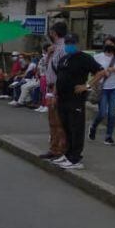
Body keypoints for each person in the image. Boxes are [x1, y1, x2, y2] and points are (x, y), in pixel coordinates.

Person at [51, 34, 107, 170]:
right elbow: (59, 78)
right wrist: (54, 94)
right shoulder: (64, 58)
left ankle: (75, 158)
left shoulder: (84, 58)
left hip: (75, 99)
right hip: (62, 98)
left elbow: (101, 72)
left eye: (72, 43)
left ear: (77, 44)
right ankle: (68, 154)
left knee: (76, 128)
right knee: (66, 128)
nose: (69, 45)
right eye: (68, 43)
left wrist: (86, 86)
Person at [38, 22, 69, 159]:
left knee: (59, 121)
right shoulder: (54, 48)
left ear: (54, 33)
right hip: (51, 87)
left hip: (58, 88)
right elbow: (47, 66)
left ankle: (60, 149)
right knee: (52, 121)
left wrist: (56, 91)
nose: (50, 34)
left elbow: (61, 71)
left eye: (51, 32)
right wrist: (48, 55)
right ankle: (54, 147)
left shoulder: (63, 49)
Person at [89, 37, 115, 146]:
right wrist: (102, 74)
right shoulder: (97, 57)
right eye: (107, 44)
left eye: (111, 44)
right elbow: (93, 73)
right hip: (102, 88)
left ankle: (108, 136)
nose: (109, 46)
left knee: (112, 113)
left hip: (114, 88)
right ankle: (93, 126)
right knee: (102, 112)